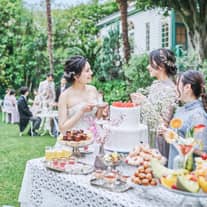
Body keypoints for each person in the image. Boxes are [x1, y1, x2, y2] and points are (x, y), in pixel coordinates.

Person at [131, 48, 177, 159]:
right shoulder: (156, 84)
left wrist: (144, 102)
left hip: (159, 141)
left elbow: (163, 123)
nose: (148, 67)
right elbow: (149, 113)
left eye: (150, 64)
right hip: (148, 137)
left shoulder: (171, 89)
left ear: (160, 66)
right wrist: (138, 104)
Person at [164, 70, 207, 168]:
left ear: (187, 87)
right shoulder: (181, 109)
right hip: (175, 172)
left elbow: (202, 152)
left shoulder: (198, 115)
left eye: (177, 85)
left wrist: (174, 137)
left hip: (187, 177)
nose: (175, 89)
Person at [58, 55, 107, 135]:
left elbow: (97, 117)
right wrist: (81, 111)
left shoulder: (93, 89)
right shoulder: (65, 96)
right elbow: (62, 128)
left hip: (94, 136)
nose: (91, 72)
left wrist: (101, 108)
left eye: (90, 69)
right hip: (75, 139)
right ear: (76, 76)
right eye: (87, 71)